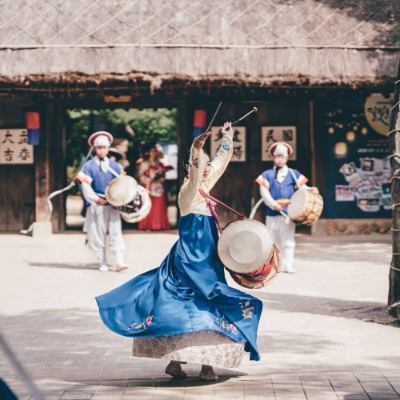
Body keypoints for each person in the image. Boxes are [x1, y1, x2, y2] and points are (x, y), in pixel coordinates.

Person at [96, 123, 262, 381]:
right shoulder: (188, 192)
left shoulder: (205, 184)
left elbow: (220, 163)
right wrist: (196, 149)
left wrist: (226, 138)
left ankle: (187, 364)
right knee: (192, 306)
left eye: (206, 167)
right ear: (190, 169)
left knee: (200, 306)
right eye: (200, 166)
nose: (207, 170)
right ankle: (196, 364)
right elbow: (197, 172)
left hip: (207, 256)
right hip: (191, 258)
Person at [256, 142, 318, 274]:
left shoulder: (293, 173)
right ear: (273, 157)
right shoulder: (266, 175)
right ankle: (275, 265)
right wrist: (273, 204)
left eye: (282, 157)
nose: (279, 159)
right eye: (277, 156)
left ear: (287, 158)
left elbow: (302, 189)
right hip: (272, 212)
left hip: (288, 212)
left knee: (288, 240)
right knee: (273, 239)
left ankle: (288, 264)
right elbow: (264, 193)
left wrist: (311, 189)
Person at [76, 131, 128, 273]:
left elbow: (122, 183)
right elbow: (85, 187)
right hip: (97, 204)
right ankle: (102, 261)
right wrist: (95, 199)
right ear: (94, 148)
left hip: (113, 204)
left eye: (104, 147)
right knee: (98, 233)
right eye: (99, 147)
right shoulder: (88, 166)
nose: (101, 150)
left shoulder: (115, 166)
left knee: (116, 232)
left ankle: (119, 261)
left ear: (108, 148)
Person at [138, 143, 170, 231]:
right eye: (152, 151)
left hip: (158, 186)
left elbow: (163, 174)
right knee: (148, 205)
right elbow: (140, 175)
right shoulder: (144, 163)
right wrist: (149, 181)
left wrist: (160, 179)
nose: (153, 153)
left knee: (158, 206)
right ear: (148, 152)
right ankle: (147, 225)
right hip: (148, 186)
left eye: (155, 151)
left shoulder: (160, 163)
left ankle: (158, 224)